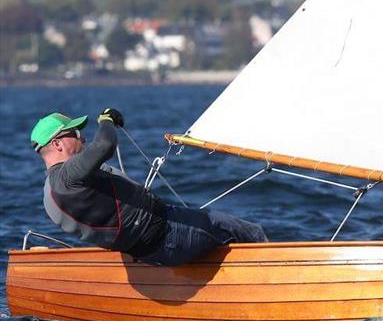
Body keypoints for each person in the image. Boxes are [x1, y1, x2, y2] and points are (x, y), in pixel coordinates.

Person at [30, 108, 267, 266]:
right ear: (58, 143)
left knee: (221, 237)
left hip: (148, 253)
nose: (82, 138)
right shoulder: (67, 176)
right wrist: (106, 120)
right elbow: (104, 144)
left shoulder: (48, 197)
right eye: (77, 133)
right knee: (249, 232)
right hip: (169, 234)